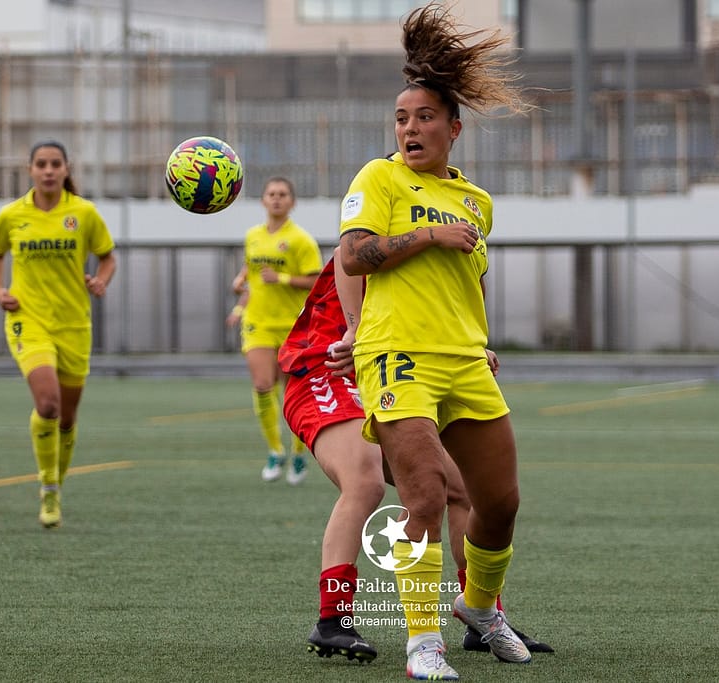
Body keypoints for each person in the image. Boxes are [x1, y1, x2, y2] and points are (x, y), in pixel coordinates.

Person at [337, 4, 535, 678]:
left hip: (464, 361)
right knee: (422, 498)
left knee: (500, 505)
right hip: (398, 357)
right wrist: (424, 235)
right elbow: (355, 257)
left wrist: (482, 338)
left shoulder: (477, 201)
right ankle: (423, 646)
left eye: (423, 118)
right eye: (401, 118)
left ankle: (480, 606)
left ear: (453, 128)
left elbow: (471, 278)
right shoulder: (379, 178)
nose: (410, 128)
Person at [278, 252, 552, 665]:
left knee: (460, 488)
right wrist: (354, 333)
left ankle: (482, 616)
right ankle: (332, 619)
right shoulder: (386, 219)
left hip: (394, 369)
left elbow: (449, 300)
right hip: (330, 365)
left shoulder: (453, 221)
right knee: (365, 482)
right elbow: (346, 256)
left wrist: (470, 348)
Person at [0, 140, 116, 529]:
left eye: (54, 164)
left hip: (74, 323)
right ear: (29, 170)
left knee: (67, 418)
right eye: (40, 164)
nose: (47, 170)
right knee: (48, 404)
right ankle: (48, 488)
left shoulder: (83, 213)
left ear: (65, 169)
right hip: (28, 319)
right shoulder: (12, 215)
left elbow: (108, 256)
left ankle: (58, 479)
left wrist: (101, 280)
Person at [229, 177, 322, 485]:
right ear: (263, 201)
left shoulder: (300, 240)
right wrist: (240, 296)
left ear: (292, 202)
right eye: (271, 194)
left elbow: (316, 280)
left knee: (292, 393)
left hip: (292, 324)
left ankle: (298, 453)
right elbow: (253, 275)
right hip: (257, 322)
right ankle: (275, 450)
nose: (277, 199)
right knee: (261, 384)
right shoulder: (252, 236)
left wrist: (281, 279)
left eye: (283, 195)